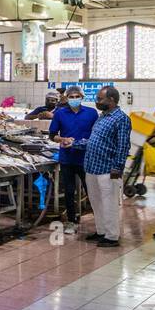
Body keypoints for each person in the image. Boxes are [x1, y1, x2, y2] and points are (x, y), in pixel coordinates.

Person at [82, 85, 131, 248]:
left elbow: (123, 145)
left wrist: (117, 167)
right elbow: (96, 140)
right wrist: (74, 143)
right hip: (92, 167)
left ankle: (111, 236)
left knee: (109, 203)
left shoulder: (121, 118)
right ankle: (101, 230)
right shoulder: (102, 116)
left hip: (108, 169)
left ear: (111, 100)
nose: (97, 101)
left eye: (100, 99)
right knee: (96, 202)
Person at [49, 86, 98, 234]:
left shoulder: (91, 113)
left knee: (91, 190)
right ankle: (71, 220)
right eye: (71, 96)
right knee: (69, 191)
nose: (74, 99)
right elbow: (52, 135)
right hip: (67, 158)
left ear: (82, 97)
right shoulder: (60, 113)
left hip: (85, 159)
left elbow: (97, 134)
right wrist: (62, 139)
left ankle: (100, 221)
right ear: (66, 98)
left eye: (77, 96)